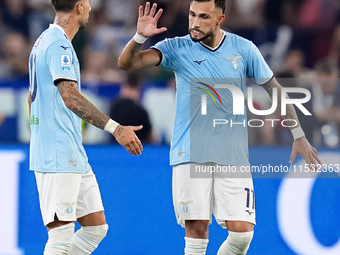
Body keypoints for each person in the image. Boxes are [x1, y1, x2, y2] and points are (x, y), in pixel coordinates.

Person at [118, 1, 321, 254]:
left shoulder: (243, 49)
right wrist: (139, 37)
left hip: (232, 155)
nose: (195, 22)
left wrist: (298, 134)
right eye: (192, 15)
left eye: (204, 17)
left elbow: (274, 89)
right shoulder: (176, 47)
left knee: (242, 235)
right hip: (190, 152)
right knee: (197, 232)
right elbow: (127, 64)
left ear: (220, 19)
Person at [28, 0, 143, 254]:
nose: (91, 8)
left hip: (69, 150)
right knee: (60, 236)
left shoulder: (42, 41)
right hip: (58, 153)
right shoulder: (58, 45)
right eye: (89, 3)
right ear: (79, 7)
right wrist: (116, 129)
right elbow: (70, 97)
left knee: (95, 228)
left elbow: (31, 98)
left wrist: (41, 128)